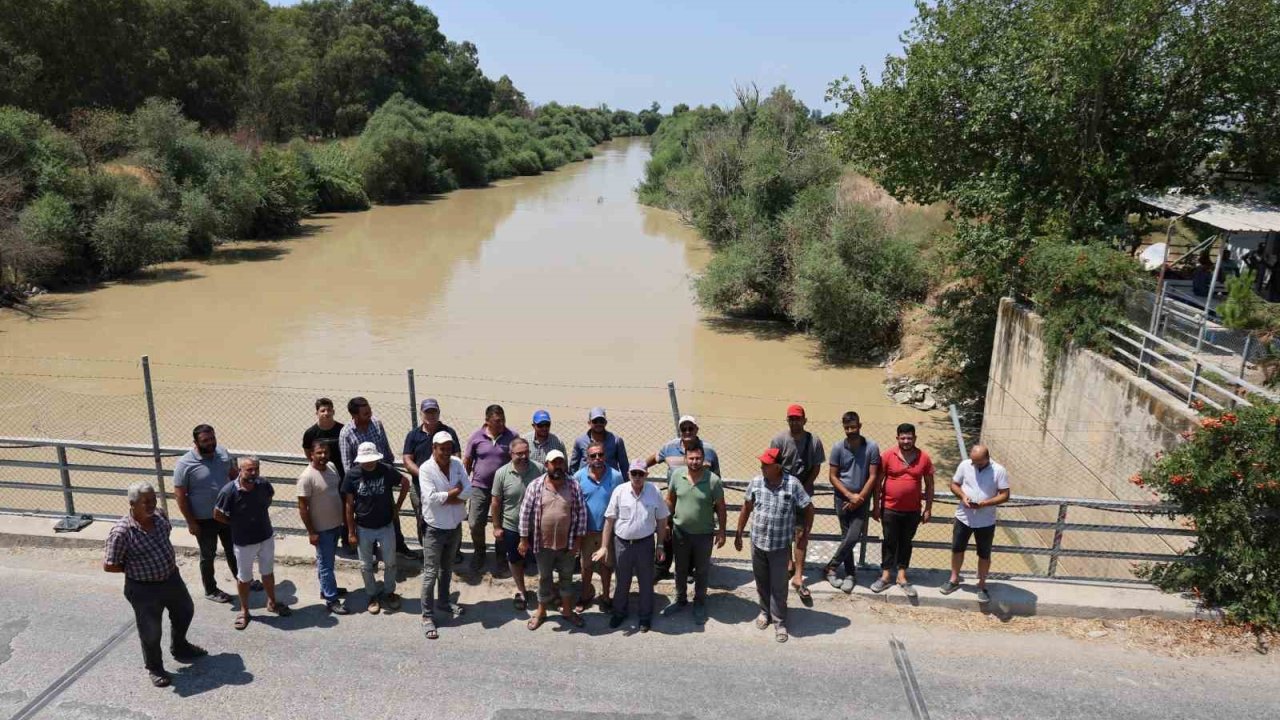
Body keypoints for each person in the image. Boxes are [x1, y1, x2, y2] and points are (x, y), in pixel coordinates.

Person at [104, 481, 207, 688]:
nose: (151, 504)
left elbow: (166, 534)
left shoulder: (159, 515)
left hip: (171, 579)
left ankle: (180, 647)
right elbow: (110, 565)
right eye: (145, 501)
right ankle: (154, 668)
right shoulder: (122, 532)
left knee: (185, 611)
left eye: (153, 499)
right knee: (151, 631)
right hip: (143, 589)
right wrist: (137, 569)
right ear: (132, 503)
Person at [735, 447, 813, 643]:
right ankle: (764, 612)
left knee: (779, 586)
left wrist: (806, 532)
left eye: (766, 464)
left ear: (778, 467)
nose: (762, 467)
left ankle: (779, 621)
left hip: (780, 546)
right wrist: (738, 533)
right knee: (761, 581)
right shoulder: (756, 482)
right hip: (758, 543)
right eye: (762, 463)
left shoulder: (792, 485)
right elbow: (746, 508)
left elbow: (809, 508)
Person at [214, 457, 291, 630]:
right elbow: (217, 514)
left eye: (256, 469)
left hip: (265, 537)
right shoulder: (228, 492)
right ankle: (245, 611)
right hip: (244, 543)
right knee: (244, 578)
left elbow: (269, 497)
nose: (253, 473)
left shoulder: (263, 484)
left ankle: (272, 602)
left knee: (268, 572)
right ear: (239, 471)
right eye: (249, 470)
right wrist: (236, 523)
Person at [173, 424, 245, 603]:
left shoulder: (223, 454)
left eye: (212, 438)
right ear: (196, 442)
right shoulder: (185, 464)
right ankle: (210, 589)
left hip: (227, 514)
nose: (210, 443)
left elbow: (234, 475)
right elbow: (180, 495)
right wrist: (191, 522)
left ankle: (242, 580)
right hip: (203, 519)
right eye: (205, 440)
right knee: (208, 555)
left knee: (234, 550)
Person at [339, 397, 416, 559]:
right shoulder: (346, 433)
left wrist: (390, 475)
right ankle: (371, 553)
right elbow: (348, 466)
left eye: (370, 410)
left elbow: (386, 452)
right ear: (354, 415)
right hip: (362, 484)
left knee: (391, 516)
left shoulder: (376, 423)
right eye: (365, 413)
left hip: (382, 477)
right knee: (366, 519)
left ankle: (399, 546)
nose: (370, 414)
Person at [596, 460, 669, 632]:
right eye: (634, 473)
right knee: (622, 581)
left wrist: (660, 545)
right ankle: (619, 612)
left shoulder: (654, 491)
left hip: (645, 543)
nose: (637, 477)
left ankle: (645, 616)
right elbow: (609, 520)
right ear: (628, 474)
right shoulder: (620, 491)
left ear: (646, 475)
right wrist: (604, 546)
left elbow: (662, 518)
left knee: (646, 581)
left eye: (641, 473)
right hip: (622, 544)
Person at [518, 450, 587, 631]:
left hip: (568, 543)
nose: (557, 466)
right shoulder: (535, 485)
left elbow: (581, 514)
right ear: (546, 465)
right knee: (544, 578)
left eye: (560, 463)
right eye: (553, 463)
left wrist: (578, 541)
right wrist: (524, 539)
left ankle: (567, 611)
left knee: (567, 578)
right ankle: (541, 611)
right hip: (542, 544)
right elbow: (525, 514)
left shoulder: (573, 485)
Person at [647, 415, 720, 581]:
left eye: (690, 428)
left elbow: (716, 479)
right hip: (674, 499)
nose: (687, 432)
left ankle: (687, 570)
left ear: (696, 430)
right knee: (666, 534)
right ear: (680, 431)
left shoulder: (708, 451)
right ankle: (661, 567)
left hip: (698, 501)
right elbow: (654, 457)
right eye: (683, 429)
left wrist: (714, 507)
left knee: (691, 536)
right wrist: (640, 469)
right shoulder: (669, 446)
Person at [660, 441, 725, 624]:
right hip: (680, 532)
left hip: (704, 534)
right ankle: (680, 599)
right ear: (685, 459)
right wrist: (666, 524)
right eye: (691, 458)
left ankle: (700, 602)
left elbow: (721, 507)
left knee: (702, 571)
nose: (695, 461)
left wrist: (721, 531)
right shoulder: (676, 476)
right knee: (680, 568)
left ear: (703, 459)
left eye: (698, 458)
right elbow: (670, 500)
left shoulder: (713, 480)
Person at [342, 441, 409, 614]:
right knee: (365, 565)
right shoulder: (352, 475)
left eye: (371, 459)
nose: (369, 463)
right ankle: (372, 594)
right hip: (363, 528)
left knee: (390, 562)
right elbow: (349, 505)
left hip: (386, 526)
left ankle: (389, 592)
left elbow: (405, 482)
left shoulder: (386, 470)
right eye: (366, 460)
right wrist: (351, 532)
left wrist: (397, 507)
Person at [872, 423, 935, 597]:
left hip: (913, 510)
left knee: (906, 542)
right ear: (897, 438)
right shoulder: (887, 455)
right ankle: (885, 575)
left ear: (915, 438)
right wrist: (876, 506)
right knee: (889, 541)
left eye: (909, 438)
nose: (906, 441)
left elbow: (930, 486)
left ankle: (901, 575)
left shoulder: (924, 457)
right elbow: (878, 482)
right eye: (903, 438)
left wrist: (928, 508)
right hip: (889, 508)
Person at [418, 431, 471, 640]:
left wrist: (450, 497)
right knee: (431, 573)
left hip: (454, 525)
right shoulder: (426, 469)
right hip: (434, 528)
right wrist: (453, 493)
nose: (446, 452)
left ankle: (443, 602)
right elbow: (430, 499)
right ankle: (426, 616)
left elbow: (468, 490)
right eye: (442, 448)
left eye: (449, 448)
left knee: (447, 568)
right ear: (434, 448)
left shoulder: (457, 463)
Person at [941, 445, 1010, 604]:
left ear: (987, 458)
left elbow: (1005, 495)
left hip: (986, 521)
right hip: (963, 517)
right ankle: (954, 579)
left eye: (978, 462)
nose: (974, 465)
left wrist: (986, 503)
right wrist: (963, 497)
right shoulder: (965, 465)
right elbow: (954, 485)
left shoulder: (999, 470)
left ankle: (982, 584)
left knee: (984, 554)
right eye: (973, 461)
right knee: (957, 548)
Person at [821, 412, 881, 593]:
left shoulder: (871, 447)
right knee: (846, 536)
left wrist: (859, 497)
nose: (850, 431)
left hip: (862, 499)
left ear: (860, 425)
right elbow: (832, 476)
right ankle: (850, 574)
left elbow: (873, 476)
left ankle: (831, 567)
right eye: (847, 428)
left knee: (854, 536)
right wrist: (849, 495)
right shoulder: (838, 447)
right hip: (842, 498)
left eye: (853, 427)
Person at [769, 404, 824, 601]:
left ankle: (799, 576)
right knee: (783, 532)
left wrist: (804, 487)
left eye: (798, 419)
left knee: (801, 534)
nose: (795, 422)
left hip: (803, 494)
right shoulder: (779, 440)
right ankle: (788, 563)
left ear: (805, 420)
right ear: (787, 420)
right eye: (791, 419)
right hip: (782, 493)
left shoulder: (814, 440)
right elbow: (771, 465)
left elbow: (817, 467)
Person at [463, 404, 519, 575]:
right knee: (474, 523)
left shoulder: (512, 436)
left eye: (503, 420)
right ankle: (479, 552)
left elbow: (518, 458)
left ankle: (500, 556)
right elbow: (467, 461)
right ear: (487, 421)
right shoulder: (476, 437)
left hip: (503, 489)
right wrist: (465, 485)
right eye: (497, 421)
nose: (501, 423)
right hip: (480, 487)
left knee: (502, 525)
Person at [296, 439, 349, 614]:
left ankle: (326, 588)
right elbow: (303, 508)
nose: (323, 456)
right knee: (325, 564)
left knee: (328, 561)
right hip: (322, 528)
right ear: (311, 454)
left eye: (325, 452)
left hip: (336, 525)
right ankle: (331, 599)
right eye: (319, 453)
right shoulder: (306, 477)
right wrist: (311, 532)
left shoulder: (332, 467)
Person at [401, 398, 460, 555]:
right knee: (423, 519)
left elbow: (457, 456)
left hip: (447, 487)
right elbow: (407, 459)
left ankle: (452, 552)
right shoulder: (413, 435)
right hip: (420, 487)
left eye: (434, 411)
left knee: (451, 516)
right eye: (427, 412)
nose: (431, 415)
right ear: (421, 414)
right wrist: (424, 475)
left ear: (439, 413)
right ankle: (428, 552)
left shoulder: (449, 432)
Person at [490, 437, 543, 611]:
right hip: (512, 526)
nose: (523, 456)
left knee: (543, 560)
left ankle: (545, 591)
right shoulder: (501, 473)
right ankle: (521, 591)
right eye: (519, 453)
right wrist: (497, 526)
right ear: (511, 454)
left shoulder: (539, 469)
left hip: (536, 526)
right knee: (515, 559)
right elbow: (496, 502)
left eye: (526, 452)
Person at [573, 440, 622, 612]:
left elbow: (621, 503)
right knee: (585, 566)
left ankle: (606, 596)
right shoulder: (578, 477)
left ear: (605, 456)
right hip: (586, 531)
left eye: (600, 455)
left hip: (608, 532)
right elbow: (574, 505)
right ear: (587, 458)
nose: (597, 458)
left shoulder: (616, 476)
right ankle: (585, 595)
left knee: (606, 565)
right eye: (593, 455)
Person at [302, 398, 352, 551]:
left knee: (345, 507)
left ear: (334, 411)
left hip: (343, 475)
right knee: (326, 507)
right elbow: (308, 454)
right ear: (316, 413)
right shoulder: (310, 433)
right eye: (323, 411)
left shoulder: (342, 430)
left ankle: (347, 539)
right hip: (323, 476)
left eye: (329, 410)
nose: (326, 413)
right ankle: (328, 540)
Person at [570, 407, 628, 475]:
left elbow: (624, 466)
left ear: (605, 423)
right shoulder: (580, 441)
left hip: (611, 482)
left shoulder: (616, 441)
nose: (598, 424)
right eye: (595, 421)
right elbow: (573, 467)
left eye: (601, 421)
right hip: (586, 482)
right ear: (589, 423)